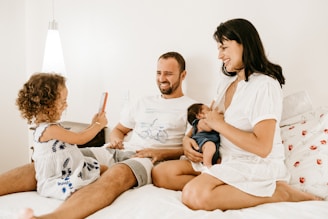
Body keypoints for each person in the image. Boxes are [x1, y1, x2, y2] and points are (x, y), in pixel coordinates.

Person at [152, 18, 320, 210]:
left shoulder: (264, 85)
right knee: (161, 173)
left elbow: (263, 147)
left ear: (244, 45)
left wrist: (220, 125)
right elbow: (207, 117)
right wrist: (186, 139)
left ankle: (279, 192)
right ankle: (225, 183)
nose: (219, 55)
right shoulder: (226, 82)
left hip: (253, 163)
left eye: (224, 48)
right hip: (224, 157)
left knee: (193, 194)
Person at [6, 51, 196, 219]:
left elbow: (191, 149)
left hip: (147, 159)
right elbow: (119, 130)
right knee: (59, 158)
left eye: (168, 74)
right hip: (115, 150)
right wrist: (115, 140)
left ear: (183, 75)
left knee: (116, 174)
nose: (162, 78)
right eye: (158, 72)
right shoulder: (143, 102)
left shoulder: (192, 107)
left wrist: (161, 154)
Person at [16, 73, 108, 200]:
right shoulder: (49, 129)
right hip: (59, 176)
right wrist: (98, 126)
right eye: (63, 102)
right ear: (47, 104)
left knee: (103, 169)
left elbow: (74, 137)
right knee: (78, 185)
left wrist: (93, 124)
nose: (66, 106)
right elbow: (80, 139)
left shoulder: (51, 127)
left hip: (72, 168)